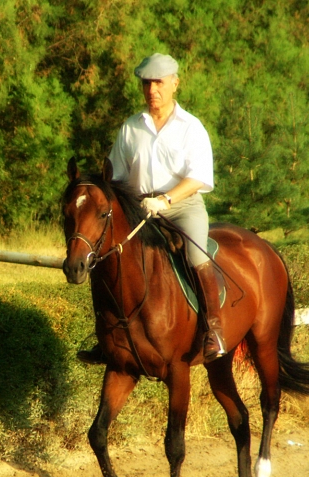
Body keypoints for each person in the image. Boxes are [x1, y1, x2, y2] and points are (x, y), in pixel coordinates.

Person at [78, 52, 226, 365]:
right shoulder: (130, 128)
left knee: (196, 254)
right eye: (146, 83)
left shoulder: (191, 127)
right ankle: (105, 335)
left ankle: (213, 330)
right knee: (107, 256)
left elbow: (199, 177)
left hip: (182, 206)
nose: (151, 90)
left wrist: (166, 199)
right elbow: (114, 176)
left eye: (158, 82)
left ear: (175, 84)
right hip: (140, 208)